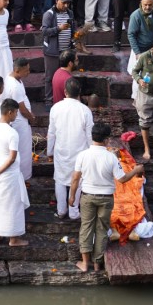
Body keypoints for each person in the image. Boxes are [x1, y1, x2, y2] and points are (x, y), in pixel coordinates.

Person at [71, 122, 144, 273]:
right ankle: (97, 263)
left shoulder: (83, 155)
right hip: (105, 198)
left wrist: (71, 196)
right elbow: (123, 179)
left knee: (86, 228)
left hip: (88, 196)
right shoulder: (111, 158)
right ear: (106, 140)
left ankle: (85, 264)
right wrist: (135, 170)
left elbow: (75, 179)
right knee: (101, 229)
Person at [0, 98, 30, 246]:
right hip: (8, 174)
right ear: (10, 112)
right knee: (12, 206)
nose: (16, 115)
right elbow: (11, 158)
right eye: (16, 112)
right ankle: (13, 239)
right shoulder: (12, 133)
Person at [48, 77, 94, 220]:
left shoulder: (56, 108)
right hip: (80, 151)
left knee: (60, 180)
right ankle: (74, 212)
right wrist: (92, 152)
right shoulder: (85, 110)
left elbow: (51, 133)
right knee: (78, 181)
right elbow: (89, 135)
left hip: (61, 150)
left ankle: (61, 210)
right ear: (79, 92)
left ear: (65, 92)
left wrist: (49, 152)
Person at [3, 58, 35, 181]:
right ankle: (22, 178)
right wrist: (31, 117)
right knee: (23, 150)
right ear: (17, 70)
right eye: (26, 71)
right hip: (20, 122)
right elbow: (22, 109)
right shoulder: (14, 86)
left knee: (25, 149)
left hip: (22, 119)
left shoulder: (16, 79)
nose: (28, 73)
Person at [40, 0, 75, 104]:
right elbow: (44, 31)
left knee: (65, 76)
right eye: (63, 3)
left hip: (66, 51)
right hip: (52, 52)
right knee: (50, 77)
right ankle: (49, 101)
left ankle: (64, 99)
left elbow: (73, 29)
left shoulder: (70, 13)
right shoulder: (48, 14)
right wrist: (59, 29)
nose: (65, 6)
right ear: (57, 1)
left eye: (68, 3)